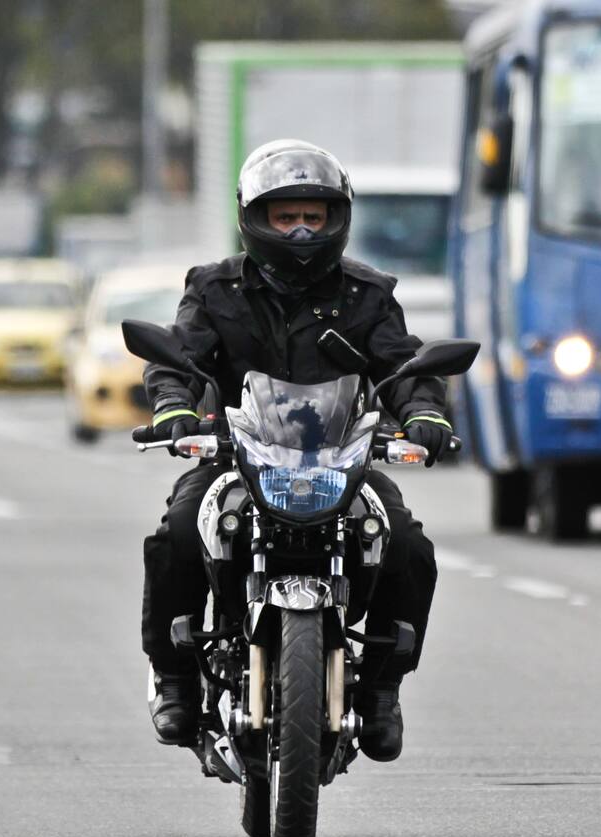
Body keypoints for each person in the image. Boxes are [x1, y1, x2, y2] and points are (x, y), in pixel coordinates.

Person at [140, 139, 453, 762]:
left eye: (315, 214)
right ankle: (174, 679)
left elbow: (404, 364)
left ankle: (383, 689)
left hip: (340, 458)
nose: (303, 229)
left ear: (339, 217)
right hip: (237, 458)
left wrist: (422, 412)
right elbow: (178, 356)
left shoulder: (368, 294)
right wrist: (174, 407)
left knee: (408, 544)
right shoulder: (213, 288)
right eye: (286, 216)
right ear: (253, 218)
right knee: (177, 530)